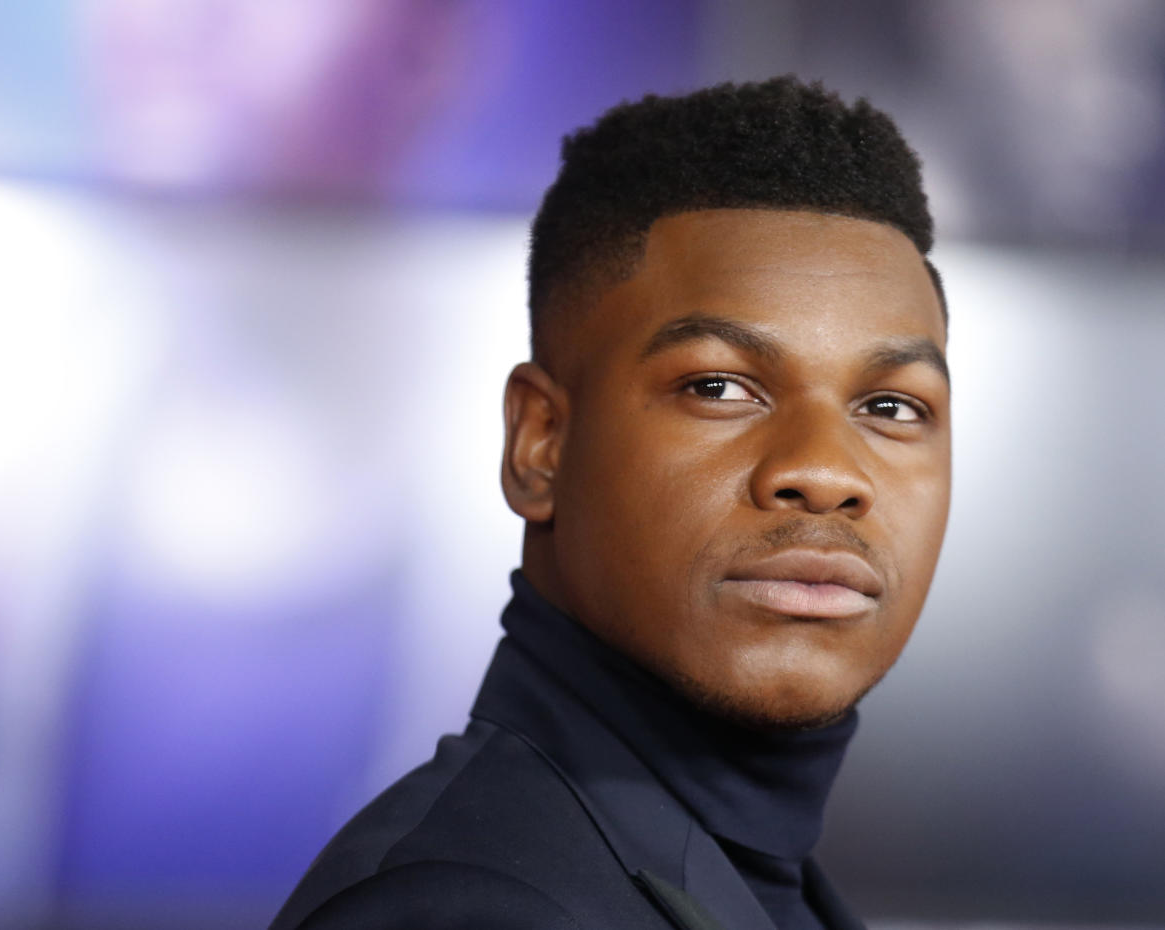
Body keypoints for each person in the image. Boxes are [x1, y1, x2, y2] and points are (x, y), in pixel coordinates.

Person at [269, 75, 951, 930]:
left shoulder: (764, 887)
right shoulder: (467, 910)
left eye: (890, 407)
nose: (824, 470)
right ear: (541, 445)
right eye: (718, 386)